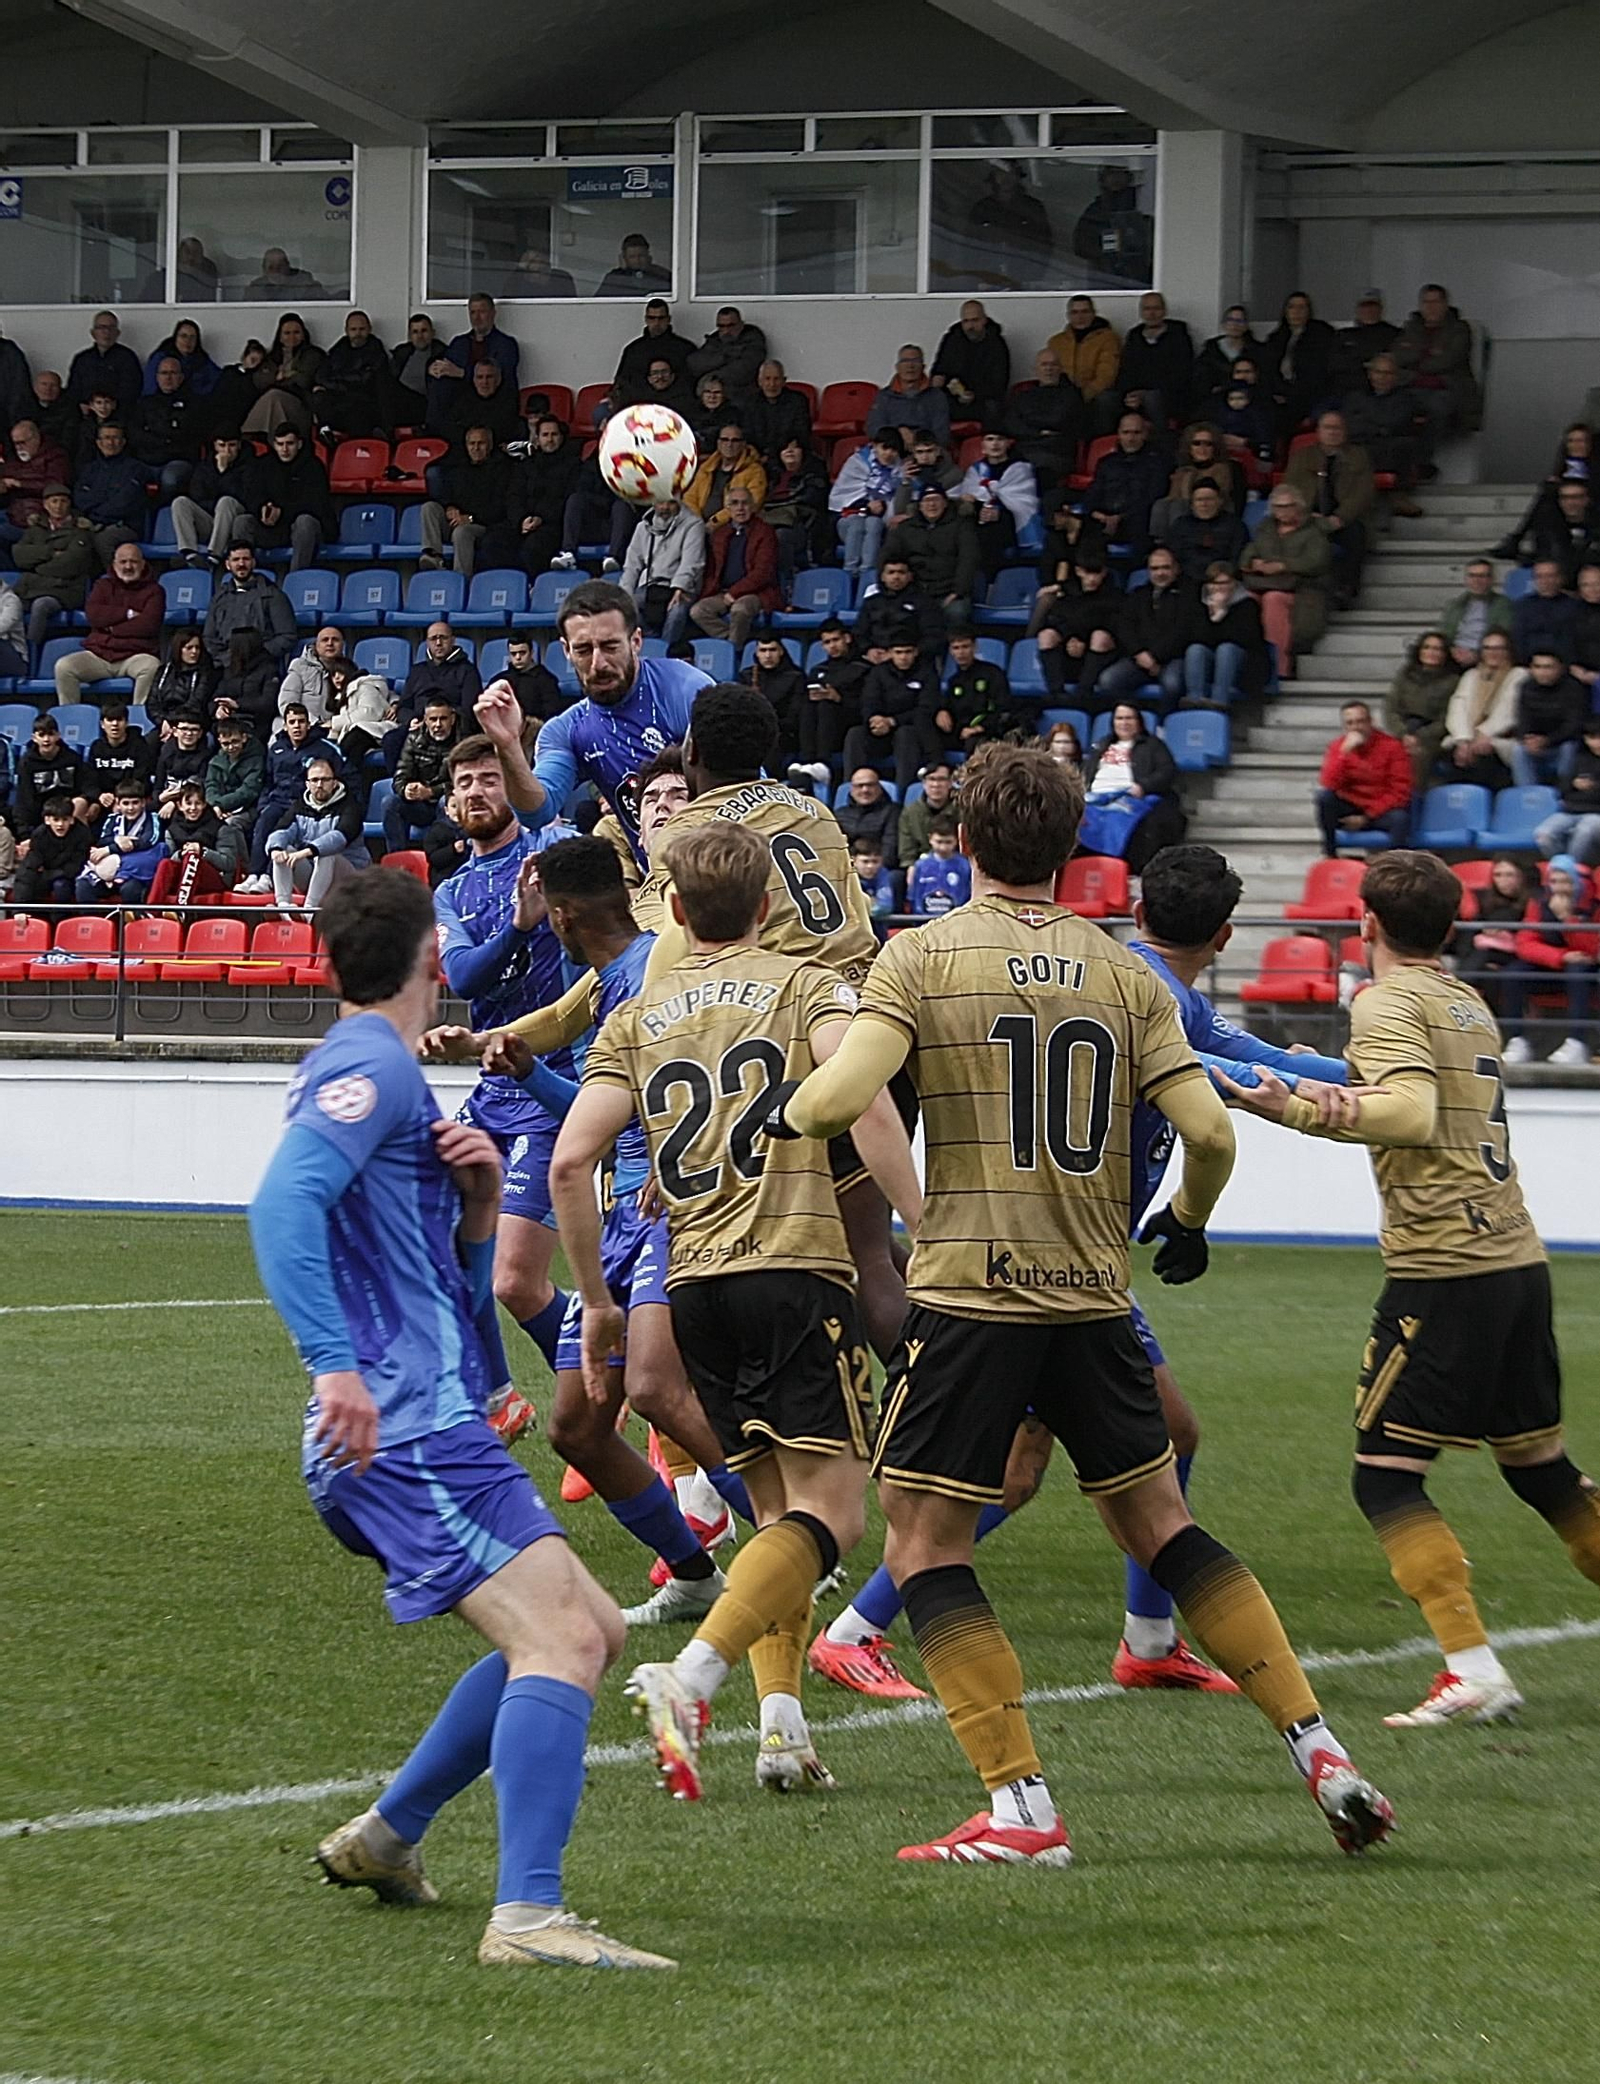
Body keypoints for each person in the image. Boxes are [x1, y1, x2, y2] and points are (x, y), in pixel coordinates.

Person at [773, 746, 1393, 1860]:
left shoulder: (920, 957)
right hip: (1094, 1293)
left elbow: (838, 1097)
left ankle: (1020, 1806)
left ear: (959, 841)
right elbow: (1207, 1132)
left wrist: (796, 1097)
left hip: (969, 1291)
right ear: (1076, 853)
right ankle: (1321, 1751)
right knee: (1165, 1522)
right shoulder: (1127, 975)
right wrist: (1190, 1223)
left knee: (922, 1542)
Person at [246, 871, 670, 1971]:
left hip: (428, 1418)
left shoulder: (383, 1070)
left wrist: (480, 1210)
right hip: (395, 1429)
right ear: (434, 953)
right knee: (565, 1639)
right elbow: (282, 1202)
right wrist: (333, 1367)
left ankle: (387, 1837)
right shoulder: (367, 1064)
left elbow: (422, 1269)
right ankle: (527, 1914)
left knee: (596, 1627)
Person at [811, 839, 1343, 1701]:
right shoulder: (1139, 993)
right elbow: (1245, 1079)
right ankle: (857, 1631)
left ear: (1139, 913)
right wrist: (1382, 1096)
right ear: (1228, 935)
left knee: (1078, 1457)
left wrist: (1372, 1077)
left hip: (1071, 1266)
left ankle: (1147, 1640)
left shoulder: (1149, 988)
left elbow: (1264, 1060)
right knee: (1048, 1465)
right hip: (1050, 1263)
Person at [558, 819, 916, 1800]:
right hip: (794, 1269)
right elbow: (866, 1099)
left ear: (673, 909)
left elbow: (567, 1160)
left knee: (774, 1513)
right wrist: (921, 1219)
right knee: (834, 1515)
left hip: (694, 1284)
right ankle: (694, 1671)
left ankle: (781, 1727)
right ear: (768, 907)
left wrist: (594, 1298)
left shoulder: (638, 1009)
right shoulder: (806, 985)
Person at [1224, 850, 1599, 1723]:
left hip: (1445, 1269)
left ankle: (1473, 1669)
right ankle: (1475, 1670)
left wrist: (1290, 1106)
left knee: (1387, 1478)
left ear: (1365, 926)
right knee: (1544, 1474)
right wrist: (1319, 1072)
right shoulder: (1463, 999)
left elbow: (1409, 1111)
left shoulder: (1386, 1000)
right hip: (1515, 1259)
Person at [474, 837, 751, 1620]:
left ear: (561, 917)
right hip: (624, 1219)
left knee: (659, 1388)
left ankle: (795, 1546)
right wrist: (517, 1065)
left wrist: (535, 1078)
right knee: (576, 1430)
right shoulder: (611, 981)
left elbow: (623, 1112)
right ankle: (696, 1575)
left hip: (667, 1210)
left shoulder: (652, 974)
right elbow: (591, 1106)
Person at [426, 737, 594, 1423]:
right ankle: (499, 1395)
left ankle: (597, 1384)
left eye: (488, 779)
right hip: (491, 1090)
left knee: (516, 1282)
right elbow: (462, 977)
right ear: (448, 801)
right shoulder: (452, 890)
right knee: (438, 1237)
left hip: (553, 1082)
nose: (475, 792)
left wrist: (540, 916)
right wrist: (521, 930)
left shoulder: (554, 852)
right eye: (464, 782)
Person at [473, 579, 711, 868]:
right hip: (658, 878)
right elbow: (537, 812)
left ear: (636, 641)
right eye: (584, 650)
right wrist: (507, 745)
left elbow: (742, 782)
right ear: (566, 650)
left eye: (610, 646)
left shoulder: (683, 689)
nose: (598, 664)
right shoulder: (567, 730)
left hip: (720, 865)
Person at [52, 540, 164, 708]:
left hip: (135, 654)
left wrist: (111, 628)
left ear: (142, 564)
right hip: (100, 655)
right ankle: (70, 716)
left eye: (133, 561)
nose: (128, 566)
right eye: (123, 561)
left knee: (152, 667)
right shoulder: (102, 585)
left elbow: (148, 625)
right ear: (114, 563)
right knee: (64, 667)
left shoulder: (155, 590)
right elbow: (94, 615)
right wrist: (128, 614)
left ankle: (140, 720)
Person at [1284, 410, 1375, 606]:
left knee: (1355, 535)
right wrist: (1307, 515)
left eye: (1337, 428)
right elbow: (1289, 489)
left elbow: (1364, 493)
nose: (1332, 432)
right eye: (1327, 428)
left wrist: (1340, 517)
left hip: (1344, 520)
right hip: (1308, 519)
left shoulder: (1358, 456)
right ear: (1318, 431)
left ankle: (1346, 590)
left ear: (1345, 431)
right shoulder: (1302, 457)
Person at [1512, 856, 1598, 1064]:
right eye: (1555, 881)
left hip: (1587, 968)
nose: (1560, 888)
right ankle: (1517, 1041)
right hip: (1554, 964)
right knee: (1514, 973)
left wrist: (1568, 920)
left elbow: (1593, 950)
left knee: (1577, 970)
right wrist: (1560, 956)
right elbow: (1525, 943)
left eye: (1566, 882)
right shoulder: (1540, 902)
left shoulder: (1594, 904)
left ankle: (1578, 1043)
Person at [1241, 484, 1333, 677]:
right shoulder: (1265, 528)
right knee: (1245, 599)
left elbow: (1316, 561)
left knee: (1273, 600)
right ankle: (1245, 665)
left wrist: (1283, 566)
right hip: (1264, 583)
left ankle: (1279, 666)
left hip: (1303, 590)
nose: (1282, 511)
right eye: (1277, 507)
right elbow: (1246, 555)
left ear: (1298, 507)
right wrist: (1254, 563)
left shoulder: (1314, 530)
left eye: (1287, 506)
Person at [1082, 701, 1186, 871]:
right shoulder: (1101, 745)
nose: (1124, 723)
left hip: (1131, 796)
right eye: (1120, 718)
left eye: (1129, 718)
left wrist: (1143, 786)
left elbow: (1167, 771)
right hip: (1095, 797)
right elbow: (1084, 773)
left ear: (1139, 721)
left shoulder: (1153, 745)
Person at [1096, 544, 1198, 711]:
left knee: (1172, 684)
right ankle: (1136, 719)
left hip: (1174, 658)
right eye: (1154, 568)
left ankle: (1165, 726)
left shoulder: (1189, 594)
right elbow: (1124, 626)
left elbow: (1183, 631)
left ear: (1176, 569)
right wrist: (1139, 653)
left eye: (1166, 567)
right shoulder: (1138, 594)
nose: (1160, 573)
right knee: (1109, 680)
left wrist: (1154, 657)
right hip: (1139, 658)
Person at [1455, 855, 1535, 1046]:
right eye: (1498, 875)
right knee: (1489, 971)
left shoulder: (1532, 902)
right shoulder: (1485, 902)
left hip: (1517, 956)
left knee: (1488, 965)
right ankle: (1493, 1033)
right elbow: (1469, 936)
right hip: (1485, 961)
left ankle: (1463, 982)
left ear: (1521, 877)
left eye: (1509, 875)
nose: (1503, 880)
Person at [1316, 700, 1413, 855]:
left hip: (1379, 810)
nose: (1356, 727)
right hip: (1349, 807)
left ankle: (1395, 867)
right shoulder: (1338, 747)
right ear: (1345, 727)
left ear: (1370, 722)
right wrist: (1344, 753)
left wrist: (1366, 817)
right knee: (1324, 798)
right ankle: (1330, 856)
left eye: (1360, 721)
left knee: (1400, 819)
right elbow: (1328, 783)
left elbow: (1400, 792)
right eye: (1350, 723)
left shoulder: (1392, 747)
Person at [689, 486, 780, 651]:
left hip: (756, 593)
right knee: (698, 611)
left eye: (745, 503)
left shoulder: (765, 532)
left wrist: (735, 592)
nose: (740, 508)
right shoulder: (720, 534)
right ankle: (733, 645)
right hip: (724, 592)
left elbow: (763, 573)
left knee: (740, 609)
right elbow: (712, 571)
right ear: (728, 508)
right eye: (735, 503)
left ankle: (734, 653)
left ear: (752, 507)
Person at [419, 424, 512, 580]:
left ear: (489, 446)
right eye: (472, 444)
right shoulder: (458, 469)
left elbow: (500, 509)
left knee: (462, 532)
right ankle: (433, 556)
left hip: (484, 526)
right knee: (429, 508)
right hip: (456, 522)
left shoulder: (502, 471)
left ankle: (461, 579)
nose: (476, 448)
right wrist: (450, 507)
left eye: (481, 443)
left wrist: (469, 518)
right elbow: (446, 495)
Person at [881, 481, 977, 629]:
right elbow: (886, 558)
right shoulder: (905, 528)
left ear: (945, 503)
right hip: (915, 591)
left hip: (949, 592)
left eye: (936, 500)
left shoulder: (961, 526)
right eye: (927, 500)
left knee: (957, 613)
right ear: (919, 505)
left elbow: (968, 560)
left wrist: (958, 592)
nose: (932, 505)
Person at [11, 483, 96, 648]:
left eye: (63, 501)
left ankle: (30, 652)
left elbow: (70, 565)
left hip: (63, 590)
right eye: (54, 501)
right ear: (45, 505)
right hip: (31, 588)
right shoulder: (36, 529)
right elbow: (19, 556)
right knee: (8, 604)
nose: (58, 506)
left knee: (40, 605)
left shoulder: (81, 531)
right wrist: (50, 552)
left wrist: (36, 565)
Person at [846, 637, 933, 796]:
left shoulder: (926, 672)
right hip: (880, 732)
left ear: (916, 652)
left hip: (908, 730)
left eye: (908, 652)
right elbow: (868, 701)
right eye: (898, 652)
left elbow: (925, 709)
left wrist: (893, 721)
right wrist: (874, 719)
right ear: (890, 653)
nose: (903, 657)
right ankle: (852, 790)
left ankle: (903, 793)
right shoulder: (878, 672)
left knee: (906, 734)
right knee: (855, 734)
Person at [1341, 354, 1427, 515]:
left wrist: (1367, 423)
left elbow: (1394, 423)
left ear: (1396, 376)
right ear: (1370, 374)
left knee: (1405, 445)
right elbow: (1350, 425)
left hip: (1388, 448)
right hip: (1360, 447)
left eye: (1388, 373)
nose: (1382, 377)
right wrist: (1378, 427)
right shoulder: (1355, 397)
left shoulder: (1405, 398)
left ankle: (1399, 497)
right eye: (1378, 372)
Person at [787, 617, 867, 787]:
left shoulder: (863, 668)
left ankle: (823, 764)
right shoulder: (818, 670)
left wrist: (838, 698)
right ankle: (807, 761)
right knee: (808, 705)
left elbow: (866, 706)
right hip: (820, 725)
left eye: (836, 640)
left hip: (850, 723)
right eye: (827, 642)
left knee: (826, 705)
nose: (832, 646)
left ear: (847, 638)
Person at [501, 414, 583, 580]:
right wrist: (521, 520)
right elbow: (514, 496)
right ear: (537, 439)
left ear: (561, 437)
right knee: (494, 542)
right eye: (545, 435)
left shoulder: (574, 466)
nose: (550, 439)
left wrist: (541, 518)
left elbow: (569, 499)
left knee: (534, 547)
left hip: (553, 525)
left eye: (554, 434)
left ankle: (535, 589)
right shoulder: (526, 466)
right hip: (523, 523)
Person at [1032, 552, 1121, 702]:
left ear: (1104, 572)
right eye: (1087, 572)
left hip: (1098, 658)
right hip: (1067, 653)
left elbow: (1114, 626)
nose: (1092, 578)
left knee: (1100, 637)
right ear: (1079, 571)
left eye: (1096, 573)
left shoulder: (1115, 596)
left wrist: (1083, 642)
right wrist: (1069, 639)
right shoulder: (1066, 594)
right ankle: (1055, 692)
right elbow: (1057, 621)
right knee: (1046, 636)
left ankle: (1083, 694)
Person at [620, 496, 705, 654]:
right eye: (660, 502)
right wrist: (625, 594)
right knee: (626, 610)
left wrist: (680, 587)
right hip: (648, 585)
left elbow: (691, 562)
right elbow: (632, 565)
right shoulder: (642, 527)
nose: (665, 507)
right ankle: (650, 646)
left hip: (679, 587)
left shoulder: (693, 524)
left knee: (676, 612)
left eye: (670, 503)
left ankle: (663, 653)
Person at [1395, 285, 1482, 436]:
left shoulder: (1459, 328)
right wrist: (1428, 353)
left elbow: (1447, 361)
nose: (1431, 307)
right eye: (1426, 302)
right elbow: (1398, 357)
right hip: (1410, 387)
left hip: (1448, 389)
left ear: (1445, 304)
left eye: (1436, 302)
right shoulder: (1410, 328)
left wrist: (1416, 358)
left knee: (1438, 408)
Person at [1443, 630, 1523, 789]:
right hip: (1468, 738)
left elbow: (1508, 712)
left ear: (1508, 651)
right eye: (1487, 648)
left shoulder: (1518, 674)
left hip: (1501, 738)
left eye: (1499, 648)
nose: (1493, 653)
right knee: (1455, 755)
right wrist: (1463, 740)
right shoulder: (1471, 675)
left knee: (1485, 755)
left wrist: (1484, 734)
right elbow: (1458, 708)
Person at [201, 541, 298, 671]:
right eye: (236, 559)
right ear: (228, 565)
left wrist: (256, 656)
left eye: (245, 559)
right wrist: (226, 658)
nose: (241, 564)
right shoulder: (219, 598)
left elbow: (287, 636)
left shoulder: (273, 595)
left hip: (261, 668)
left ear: (253, 562)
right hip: (223, 668)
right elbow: (209, 637)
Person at [1085, 412, 1167, 559]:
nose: (1131, 438)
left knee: (1141, 522)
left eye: (1136, 433)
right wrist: (1097, 514)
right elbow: (1094, 492)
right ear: (1119, 434)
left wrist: (1120, 517)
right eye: (1126, 432)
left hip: (1137, 521)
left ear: (1145, 434)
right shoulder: (1106, 463)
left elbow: (1153, 496)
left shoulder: (1157, 462)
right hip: (1103, 520)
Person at [170, 427, 256, 567]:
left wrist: (224, 472)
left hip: (235, 523)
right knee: (180, 502)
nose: (227, 451)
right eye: (222, 445)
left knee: (226, 501)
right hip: (211, 520)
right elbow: (197, 496)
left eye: (232, 445)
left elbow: (244, 496)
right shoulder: (205, 466)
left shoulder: (251, 465)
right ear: (215, 446)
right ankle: (190, 553)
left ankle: (215, 555)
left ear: (239, 445)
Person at [1384, 630, 1459, 789]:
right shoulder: (1405, 674)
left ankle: (1411, 804)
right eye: (1427, 647)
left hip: (1431, 736)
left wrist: (1419, 736)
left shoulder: (1453, 681)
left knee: (1417, 756)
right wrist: (1402, 733)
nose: (1431, 652)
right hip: (1403, 730)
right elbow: (1391, 708)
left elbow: (1447, 718)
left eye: (1437, 649)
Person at [957, 428, 1037, 575]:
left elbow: (1025, 501)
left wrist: (999, 511)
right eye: (990, 439)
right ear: (983, 446)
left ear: (1008, 443)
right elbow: (969, 493)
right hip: (980, 519)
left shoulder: (1021, 468)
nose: (995, 444)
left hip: (1010, 521)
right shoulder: (975, 470)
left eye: (1000, 439)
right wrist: (980, 508)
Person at [72, 420, 153, 566]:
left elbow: (124, 503)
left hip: (124, 525)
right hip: (91, 523)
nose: (111, 443)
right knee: (73, 538)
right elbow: (80, 498)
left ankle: (117, 580)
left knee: (103, 540)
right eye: (106, 438)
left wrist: (96, 514)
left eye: (115, 438)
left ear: (123, 442)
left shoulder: (136, 469)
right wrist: (101, 502)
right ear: (98, 442)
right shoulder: (89, 469)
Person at [385, 699, 463, 850]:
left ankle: (444, 856)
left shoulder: (463, 741)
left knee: (445, 801)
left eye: (443, 719)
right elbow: (400, 775)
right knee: (390, 803)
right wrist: (406, 789)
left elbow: (464, 783)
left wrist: (431, 792)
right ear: (425, 721)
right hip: (421, 806)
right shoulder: (414, 739)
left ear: (452, 719)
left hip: (449, 804)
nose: (438, 724)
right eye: (433, 719)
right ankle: (398, 860)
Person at [1002, 348, 1084, 489]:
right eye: (1044, 365)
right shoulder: (1023, 395)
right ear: (1035, 369)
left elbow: (1059, 419)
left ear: (1061, 368)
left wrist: (1030, 421)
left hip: (1056, 451)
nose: (1049, 369)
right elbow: (1011, 423)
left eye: (1053, 365)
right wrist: (1039, 432)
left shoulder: (1072, 394)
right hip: (1025, 448)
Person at [1113, 291, 1195, 432]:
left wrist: (1145, 393)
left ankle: (1160, 444)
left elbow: (1182, 372)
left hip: (1170, 394)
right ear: (1141, 312)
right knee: (1107, 399)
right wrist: (1129, 394)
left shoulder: (1178, 335)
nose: (1152, 313)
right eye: (1147, 309)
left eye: (1156, 308)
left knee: (1152, 398)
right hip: (1136, 394)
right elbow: (1126, 369)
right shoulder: (1134, 336)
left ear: (1164, 311)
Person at [964, 159, 1052, 291]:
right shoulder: (983, 208)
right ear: (993, 177)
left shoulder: (1032, 207)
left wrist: (1035, 273)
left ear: (1018, 177)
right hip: (988, 276)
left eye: (1010, 173)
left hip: (1024, 274)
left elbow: (1044, 243)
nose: (1006, 178)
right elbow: (969, 243)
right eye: (1000, 173)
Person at [1261, 292, 1336, 442]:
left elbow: (1319, 372)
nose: (1296, 312)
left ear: (1309, 311)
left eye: (1302, 307)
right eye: (1292, 307)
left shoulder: (1321, 335)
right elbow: (1267, 370)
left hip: (1310, 397)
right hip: (1280, 398)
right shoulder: (1276, 338)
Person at [429, 294, 521, 413]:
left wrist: (462, 373)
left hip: (495, 402)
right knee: (439, 384)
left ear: (493, 313)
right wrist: (435, 369)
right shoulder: (459, 342)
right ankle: (433, 429)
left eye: (482, 312)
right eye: (473, 312)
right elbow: (447, 367)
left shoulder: (506, 344)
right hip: (463, 401)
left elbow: (501, 375)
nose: (477, 318)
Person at [76, 778, 162, 904]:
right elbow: (102, 841)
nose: (131, 808)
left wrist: (111, 848)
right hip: (108, 873)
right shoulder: (112, 818)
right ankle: (94, 922)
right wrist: (118, 840)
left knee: (131, 889)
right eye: (126, 803)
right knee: (83, 886)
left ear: (143, 802)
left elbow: (148, 840)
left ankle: (132, 922)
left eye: (135, 803)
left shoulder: (152, 818)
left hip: (134, 874)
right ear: (118, 803)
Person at [310, 310, 393, 440]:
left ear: (369, 329)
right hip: (338, 398)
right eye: (353, 329)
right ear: (346, 330)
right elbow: (320, 376)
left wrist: (335, 382)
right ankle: (326, 434)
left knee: (355, 408)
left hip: (363, 402)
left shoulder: (376, 351)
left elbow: (364, 380)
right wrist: (341, 383)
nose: (358, 333)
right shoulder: (338, 349)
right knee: (319, 396)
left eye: (362, 329)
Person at [829, 431, 903, 576]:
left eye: (893, 450)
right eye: (884, 448)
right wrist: (865, 506)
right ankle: (850, 572)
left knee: (874, 523)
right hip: (847, 518)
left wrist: (882, 507)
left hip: (880, 521)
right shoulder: (856, 463)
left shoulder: (901, 470)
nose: (888, 454)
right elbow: (840, 498)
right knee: (857, 524)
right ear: (874, 446)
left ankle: (867, 573)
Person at [127, 356, 201, 499]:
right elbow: (135, 434)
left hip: (178, 460)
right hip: (146, 460)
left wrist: (155, 435)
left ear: (181, 377)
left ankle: (164, 515)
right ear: (157, 377)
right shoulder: (144, 403)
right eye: (164, 373)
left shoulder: (194, 404)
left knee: (170, 480)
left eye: (173, 373)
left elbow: (188, 435)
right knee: (130, 480)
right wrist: (165, 439)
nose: (168, 378)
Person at [1512, 649, 1587, 788]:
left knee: (1569, 747)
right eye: (1537, 667)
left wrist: (1547, 740)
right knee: (1519, 749)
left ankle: (1562, 794)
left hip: (1561, 744)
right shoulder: (1525, 687)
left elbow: (1574, 725)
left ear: (1560, 668)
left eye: (1548, 667)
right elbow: (1522, 719)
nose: (1542, 672)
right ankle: (1529, 795)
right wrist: (1528, 739)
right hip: (1537, 745)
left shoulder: (1574, 688)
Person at [940, 630, 1027, 750]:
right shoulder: (953, 681)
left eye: (965, 647)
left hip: (988, 732)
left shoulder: (992, 673)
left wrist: (979, 728)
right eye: (956, 648)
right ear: (951, 651)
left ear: (975, 647)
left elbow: (1003, 709)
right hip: (961, 732)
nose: (961, 652)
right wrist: (941, 711)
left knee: (976, 743)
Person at [242, 314, 324, 440]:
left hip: (301, 405)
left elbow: (304, 381)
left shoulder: (312, 354)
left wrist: (282, 377)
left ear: (303, 335)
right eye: (287, 333)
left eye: (296, 332)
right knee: (273, 398)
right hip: (272, 401)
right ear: (280, 337)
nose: (291, 337)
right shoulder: (271, 357)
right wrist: (290, 376)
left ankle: (251, 436)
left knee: (274, 396)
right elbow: (259, 381)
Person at [1070, 163, 1152, 287]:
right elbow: (1080, 245)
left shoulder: (1142, 204)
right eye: (1111, 174)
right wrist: (1106, 250)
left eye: (1120, 174)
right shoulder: (1096, 209)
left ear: (1128, 178)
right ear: (1103, 180)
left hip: (1141, 275)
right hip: (1105, 276)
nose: (1116, 179)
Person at [930, 302, 1011, 425]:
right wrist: (937, 379)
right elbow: (938, 369)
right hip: (953, 397)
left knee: (994, 406)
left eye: (975, 320)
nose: (970, 326)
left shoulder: (996, 344)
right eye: (966, 321)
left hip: (982, 399)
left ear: (984, 320)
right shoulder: (951, 340)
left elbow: (1000, 383)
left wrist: (975, 394)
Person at [1535, 715, 1600, 867]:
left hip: (1596, 815)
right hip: (1570, 811)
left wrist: (1591, 788)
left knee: (1584, 832)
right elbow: (1562, 788)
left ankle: (1569, 874)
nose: (1597, 743)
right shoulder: (1579, 759)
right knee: (1544, 835)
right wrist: (1574, 784)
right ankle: (1564, 868)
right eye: (1592, 738)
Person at [1045, 296, 1118, 417]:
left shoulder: (1108, 339)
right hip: (1063, 393)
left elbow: (1106, 374)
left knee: (1106, 399)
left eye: (1085, 312)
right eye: (1075, 312)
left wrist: (1083, 395)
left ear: (1093, 314)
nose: (1080, 317)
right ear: (1068, 315)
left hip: (1093, 394)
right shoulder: (1056, 341)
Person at [865, 347, 952, 450]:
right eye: (905, 361)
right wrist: (898, 434)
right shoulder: (884, 396)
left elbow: (942, 435)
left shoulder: (937, 396)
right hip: (892, 451)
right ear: (897, 367)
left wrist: (916, 439)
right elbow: (873, 429)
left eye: (915, 361)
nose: (910, 366)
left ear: (923, 367)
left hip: (927, 453)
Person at [14, 792, 92, 907]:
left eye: (65, 819)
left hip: (75, 878)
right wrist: (19, 908)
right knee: (31, 881)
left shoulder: (83, 834)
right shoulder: (39, 835)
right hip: (49, 875)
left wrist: (47, 874)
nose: (60, 824)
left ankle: (62, 922)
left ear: (72, 819)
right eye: (56, 820)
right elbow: (29, 868)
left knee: (60, 885)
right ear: (47, 820)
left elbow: (75, 867)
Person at [683, 422, 766, 528]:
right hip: (698, 524)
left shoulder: (754, 471)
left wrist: (714, 522)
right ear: (718, 443)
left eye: (735, 440)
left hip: (731, 525)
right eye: (725, 439)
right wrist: (697, 522)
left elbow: (752, 503)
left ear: (743, 444)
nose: (729, 444)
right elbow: (690, 497)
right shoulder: (706, 467)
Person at [81, 702, 154, 820]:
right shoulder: (96, 747)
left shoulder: (139, 745)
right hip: (103, 798)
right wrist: (99, 796)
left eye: (119, 719)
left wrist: (119, 799)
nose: (115, 724)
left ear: (126, 723)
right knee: (83, 807)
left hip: (130, 798)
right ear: (102, 724)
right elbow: (89, 780)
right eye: (110, 720)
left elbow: (142, 780)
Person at [1165, 479, 1249, 581]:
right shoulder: (1180, 525)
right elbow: (1173, 557)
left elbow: (1238, 558)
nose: (1204, 504)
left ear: (1220, 501)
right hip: (1186, 580)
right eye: (1199, 500)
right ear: (1192, 504)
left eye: (1209, 499)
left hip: (1223, 580)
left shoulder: (1235, 525)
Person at [612, 301, 695, 402]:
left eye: (661, 318)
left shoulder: (685, 348)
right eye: (652, 318)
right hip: (640, 405)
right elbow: (622, 381)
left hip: (677, 405)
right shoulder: (633, 350)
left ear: (668, 319)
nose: (656, 323)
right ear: (646, 319)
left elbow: (691, 383)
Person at [1442, 558, 1514, 670]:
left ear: (1491, 579)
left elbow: (1503, 634)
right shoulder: (1455, 605)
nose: (1477, 580)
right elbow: (1444, 633)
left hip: (1487, 656)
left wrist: (1478, 654)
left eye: (1482, 576)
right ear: (1466, 579)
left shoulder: (1503, 604)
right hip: (1454, 656)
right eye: (1472, 576)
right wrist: (1453, 651)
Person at [65, 313, 142, 415]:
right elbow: (73, 390)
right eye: (101, 327)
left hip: (119, 414)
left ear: (118, 333)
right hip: (86, 414)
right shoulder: (82, 359)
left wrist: (112, 406)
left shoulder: (127, 357)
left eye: (111, 328)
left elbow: (132, 389)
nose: (106, 332)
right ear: (93, 333)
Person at [212, 627, 280, 739]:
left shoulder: (269, 669)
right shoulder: (230, 669)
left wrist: (237, 704)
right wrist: (218, 709)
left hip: (255, 723)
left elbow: (268, 703)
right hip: (228, 722)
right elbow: (216, 696)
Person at [738, 361, 812, 464]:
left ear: (784, 381)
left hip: (787, 456)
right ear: (760, 382)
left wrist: (773, 455)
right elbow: (746, 433)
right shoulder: (750, 403)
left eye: (776, 379)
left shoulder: (797, 401)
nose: (772, 384)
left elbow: (800, 434)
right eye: (767, 379)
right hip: (756, 457)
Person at [1529, 480, 1600, 586]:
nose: (1570, 502)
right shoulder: (1548, 529)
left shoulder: (1596, 527)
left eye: (1576, 497)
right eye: (1565, 497)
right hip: (1560, 591)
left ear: (1586, 499)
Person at [685, 307, 768, 397]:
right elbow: (694, 363)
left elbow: (744, 371)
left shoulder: (753, 341)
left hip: (741, 397)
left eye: (731, 326)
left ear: (741, 325)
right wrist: (726, 356)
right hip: (711, 397)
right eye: (721, 326)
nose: (726, 331)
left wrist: (712, 376)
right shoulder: (714, 340)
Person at [833, 763, 902, 870]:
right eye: (859, 786)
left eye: (870, 785)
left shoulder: (893, 811)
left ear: (879, 787)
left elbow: (890, 848)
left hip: (879, 868)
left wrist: (871, 868)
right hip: (848, 869)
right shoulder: (840, 814)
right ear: (852, 789)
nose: (865, 790)